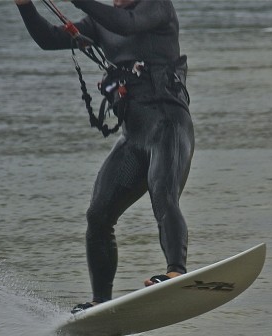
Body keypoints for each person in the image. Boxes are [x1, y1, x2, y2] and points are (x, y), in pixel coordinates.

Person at [14, 0, 195, 313]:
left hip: (168, 125)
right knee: (98, 216)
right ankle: (101, 302)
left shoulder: (157, 7)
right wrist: (25, 6)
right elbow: (48, 39)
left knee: (163, 194)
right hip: (134, 136)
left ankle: (176, 270)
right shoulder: (99, 23)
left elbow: (126, 24)